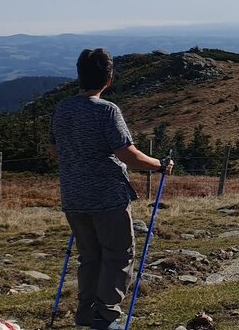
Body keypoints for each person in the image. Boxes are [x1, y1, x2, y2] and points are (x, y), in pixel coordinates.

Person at [49, 49, 173, 330]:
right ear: (108, 79)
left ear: (79, 76)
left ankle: (86, 315)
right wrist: (160, 165)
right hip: (106, 195)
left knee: (90, 257)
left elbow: (55, 151)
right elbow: (128, 155)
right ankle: (105, 317)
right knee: (118, 255)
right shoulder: (107, 110)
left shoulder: (62, 108)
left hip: (73, 196)